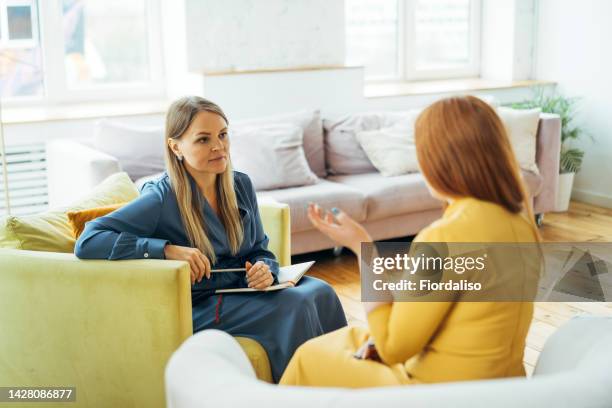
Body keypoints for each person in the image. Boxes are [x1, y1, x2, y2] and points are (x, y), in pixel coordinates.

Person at [74, 96, 347, 382]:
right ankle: (300, 396)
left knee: (321, 292)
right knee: (295, 305)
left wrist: (264, 269)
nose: (218, 146)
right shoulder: (160, 197)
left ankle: (344, 386)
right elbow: (90, 239)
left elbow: (258, 249)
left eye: (223, 135)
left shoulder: (240, 184)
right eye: (203, 139)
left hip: (241, 291)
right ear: (176, 146)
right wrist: (165, 250)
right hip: (198, 305)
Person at [280, 95, 541, 387]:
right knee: (350, 338)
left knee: (309, 357)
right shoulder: (522, 223)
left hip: (438, 389)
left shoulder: (445, 236)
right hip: (504, 382)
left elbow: (393, 348)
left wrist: (363, 250)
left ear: (439, 160)